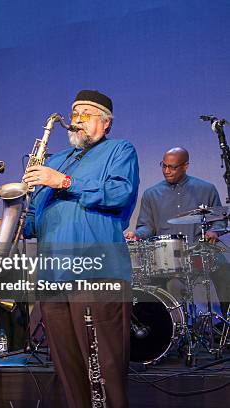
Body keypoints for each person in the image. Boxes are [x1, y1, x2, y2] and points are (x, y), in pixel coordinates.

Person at [22, 90, 139, 408]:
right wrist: (16, 221)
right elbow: (35, 218)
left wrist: (62, 182)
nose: (76, 120)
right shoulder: (55, 160)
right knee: (69, 370)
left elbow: (119, 194)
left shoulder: (119, 150)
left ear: (106, 122)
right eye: (74, 114)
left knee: (106, 369)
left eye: (86, 114)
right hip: (52, 277)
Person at [125, 147, 229, 317]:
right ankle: (164, 332)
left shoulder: (206, 189)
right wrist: (137, 234)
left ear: (185, 166)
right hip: (167, 256)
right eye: (164, 166)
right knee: (150, 285)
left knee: (225, 273)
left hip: (199, 251)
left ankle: (227, 331)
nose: (167, 171)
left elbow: (219, 220)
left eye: (172, 167)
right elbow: (147, 226)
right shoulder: (151, 194)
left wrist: (214, 233)